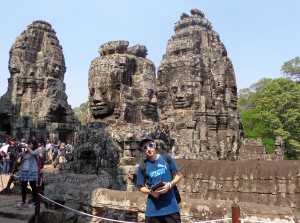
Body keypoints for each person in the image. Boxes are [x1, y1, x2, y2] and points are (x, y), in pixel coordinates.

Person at [136, 136, 182, 223]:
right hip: (153, 211)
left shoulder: (166, 158)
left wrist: (169, 185)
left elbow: (178, 176)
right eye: (145, 147)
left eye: (150, 145)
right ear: (143, 150)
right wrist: (151, 192)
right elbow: (141, 187)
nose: (148, 149)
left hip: (171, 207)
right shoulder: (142, 166)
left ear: (155, 145)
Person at [17, 139, 39, 207]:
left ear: (34, 145)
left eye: (30, 144)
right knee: (24, 186)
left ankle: (34, 202)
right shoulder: (26, 152)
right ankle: (23, 201)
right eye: (28, 143)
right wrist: (19, 147)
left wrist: (26, 147)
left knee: (33, 186)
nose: (29, 145)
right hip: (24, 170)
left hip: (32, 171)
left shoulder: (36, 150)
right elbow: (19, 154)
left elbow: (33, 153)